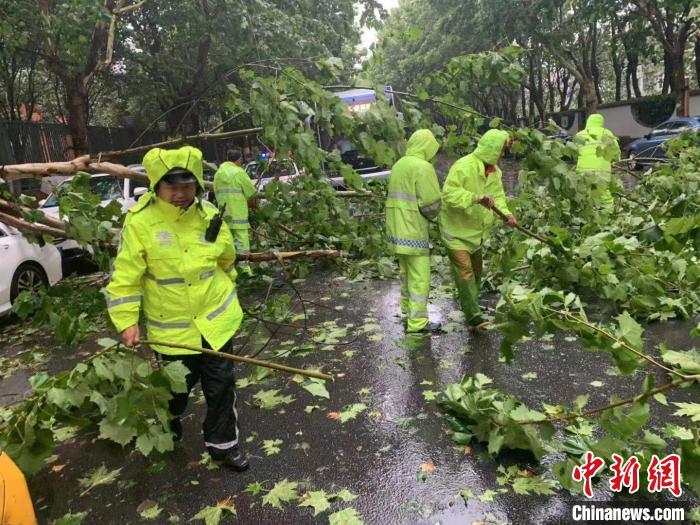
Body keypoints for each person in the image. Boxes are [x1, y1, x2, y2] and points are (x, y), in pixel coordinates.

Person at [105, 146, 249, 471]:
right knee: (175, 392)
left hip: (216, 325)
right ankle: (168, 430)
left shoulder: (211, 216)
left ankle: (224, 445)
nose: (181, 194)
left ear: (197, 185)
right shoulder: (141, 224)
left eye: (187, 185)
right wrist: (127, 321)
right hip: (173, 333)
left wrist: (229, 290)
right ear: (157, 186)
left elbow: (226, 260)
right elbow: (125, 278)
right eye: (172, 187)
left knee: (221, 386)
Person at [439, 129, 517, 332]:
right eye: (501, 150)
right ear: (492, 149)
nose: (502, 155)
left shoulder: (495, 172)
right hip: (455, 232)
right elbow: (449, 194)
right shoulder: (463, 166)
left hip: (476, 233)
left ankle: (470, 303)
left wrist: (507, 215)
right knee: (465, 273)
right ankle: (474, 317)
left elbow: (498, 197)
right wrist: (476, 198)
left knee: (476, 272)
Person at [385, 129, 443, 334]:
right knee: (420, 278)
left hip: (396, 230)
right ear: (427, 147)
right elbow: (431, 203)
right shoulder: (423, 167)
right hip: (413, 230)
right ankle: (418, 323)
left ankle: (407, 313)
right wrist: (433, 217)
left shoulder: (399, 165)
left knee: (406, 275)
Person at [213, 148, 257, 276]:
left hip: (224, 213)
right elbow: (251, 192)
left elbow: (215, 192)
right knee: (242, 242)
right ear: (239, 160)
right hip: (238, 212)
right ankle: (244, 270)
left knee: (228, 242)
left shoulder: (218, 173)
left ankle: (229, 270)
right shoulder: (239, 172)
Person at [575, 113, 621, 214]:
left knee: (586, 197)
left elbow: (574, 153)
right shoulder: (606, 133)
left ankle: (587, 219)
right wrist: (615, 159)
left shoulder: (579, 135)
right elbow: (615, 151)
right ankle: (608, 219)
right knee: (604, 197)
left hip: (582, 173)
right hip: (601, 173)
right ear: (601, 123)